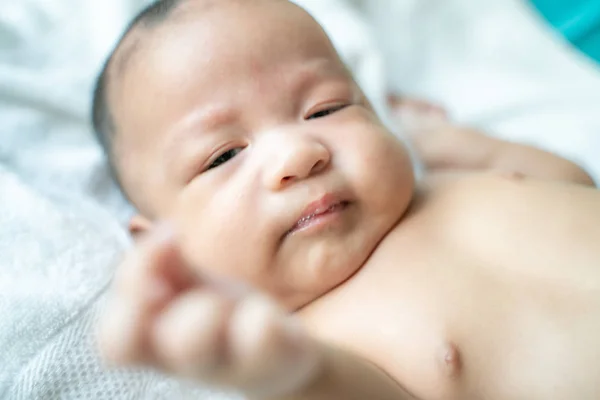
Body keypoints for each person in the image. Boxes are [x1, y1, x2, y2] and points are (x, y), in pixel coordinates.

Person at [93, 0, 600, 399]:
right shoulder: (318, 347)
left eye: (324, 108)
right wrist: (290, 377)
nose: (298, 152)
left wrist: (452, 141)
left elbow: (572, 186)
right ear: (161, 244)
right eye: (223, 156)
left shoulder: (449, 180)